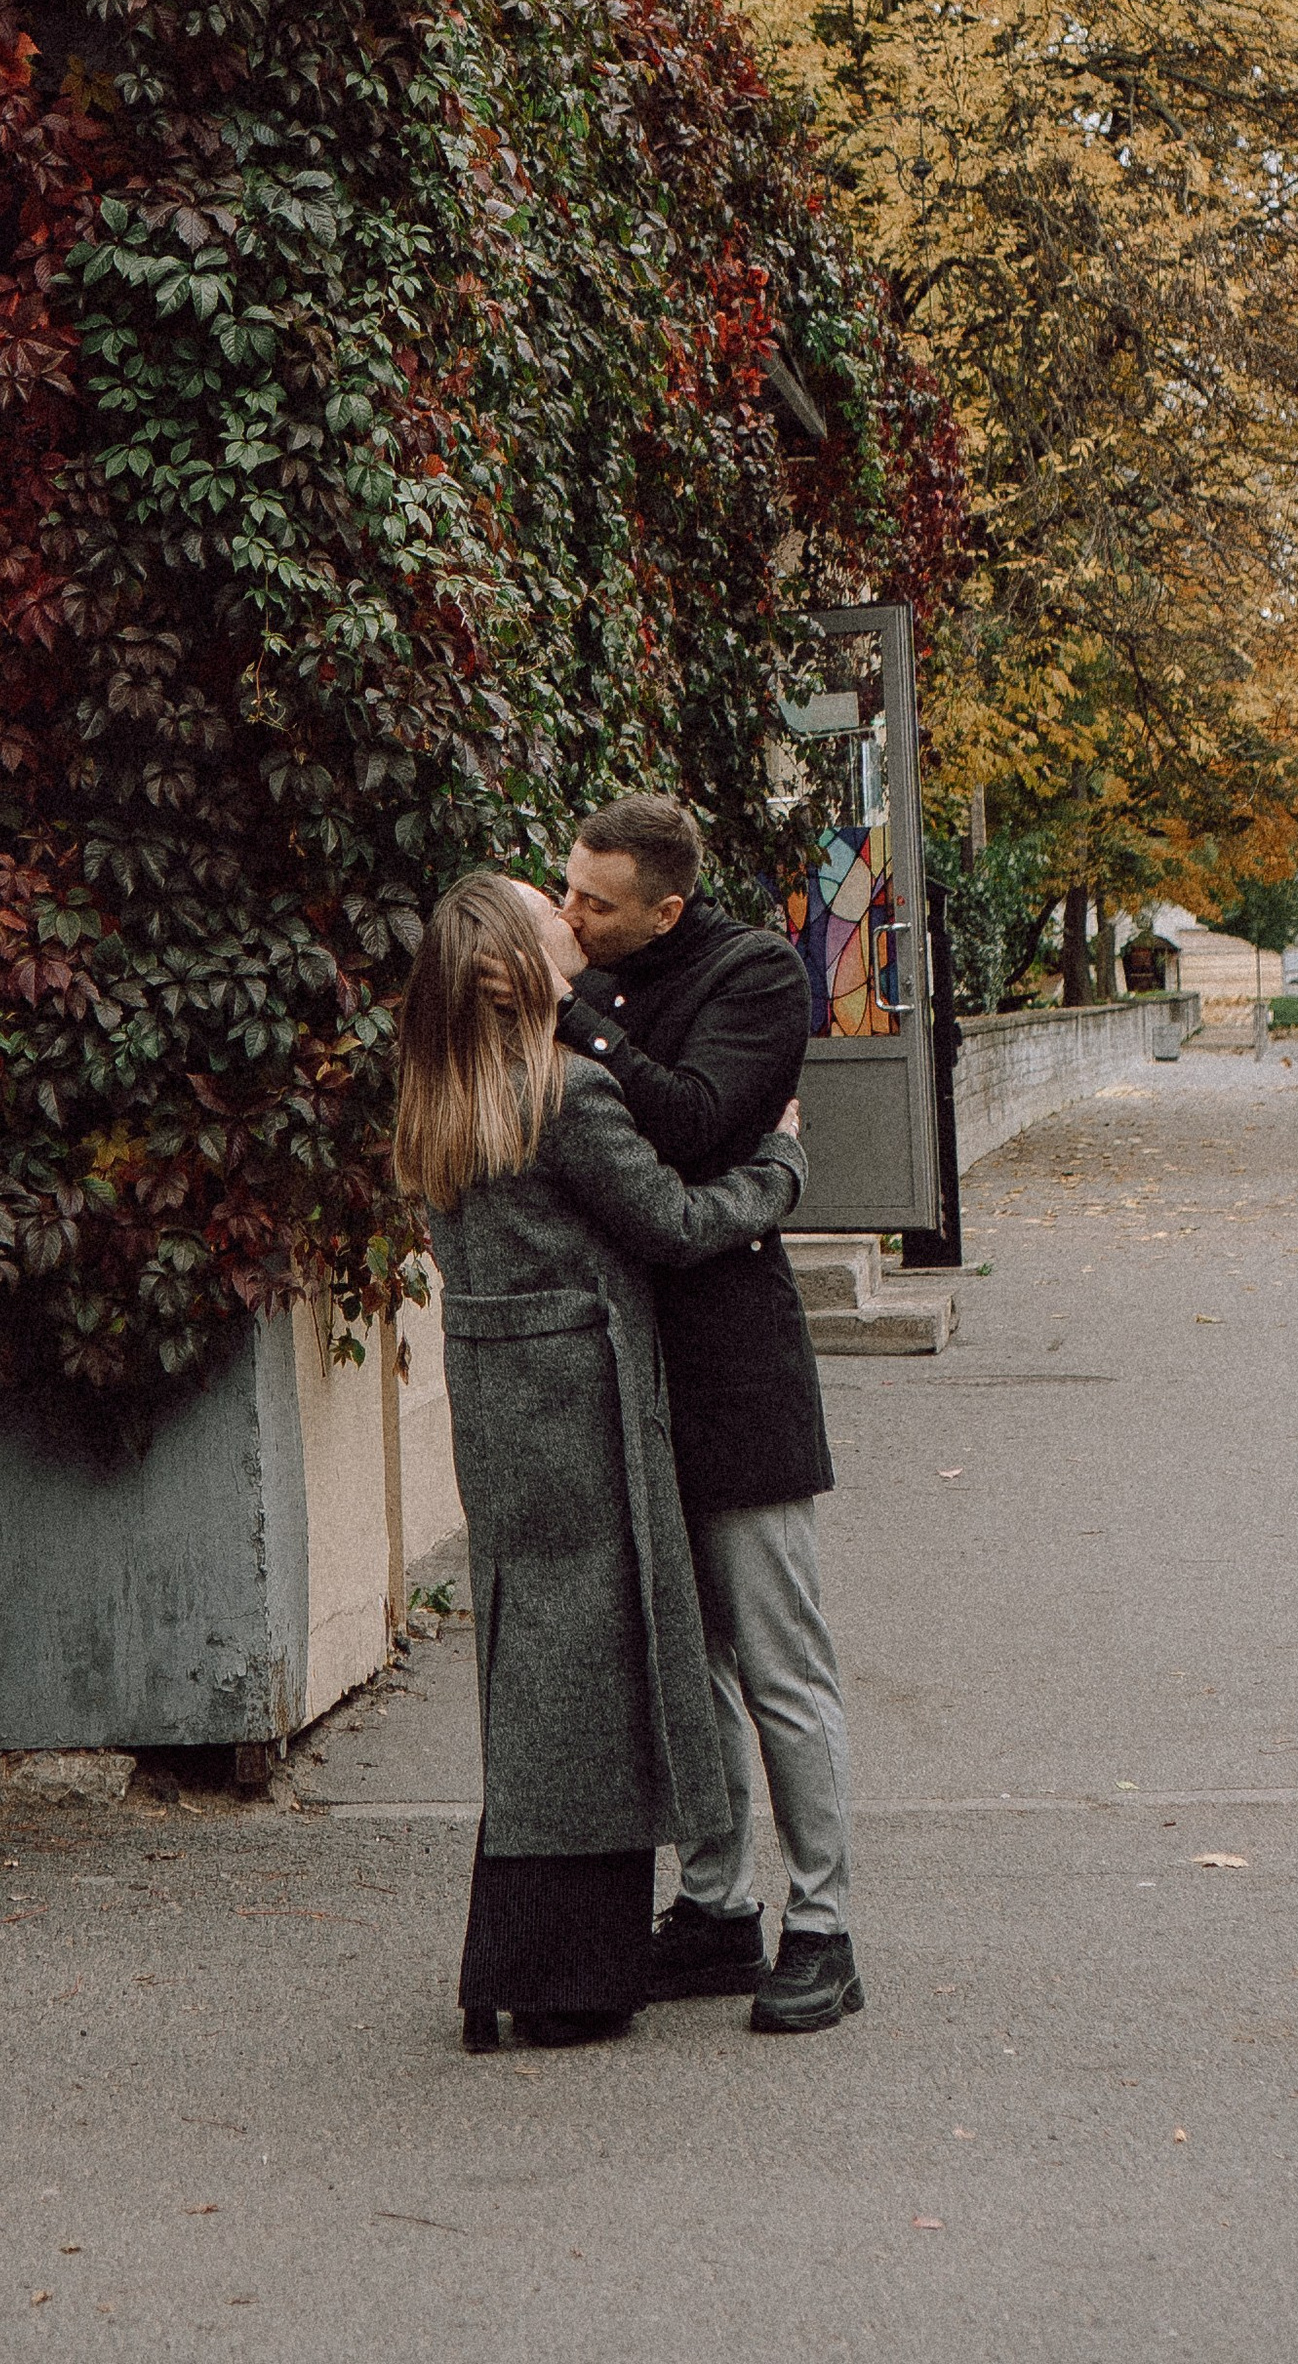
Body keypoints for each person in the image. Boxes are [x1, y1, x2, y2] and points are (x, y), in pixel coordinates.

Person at [395, 869, 808, 2055]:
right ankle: (566, 1973)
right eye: (547, 914)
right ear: (520, 963)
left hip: (502, 1405)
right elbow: (673, 1227)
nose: (568, 921)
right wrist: (777, 1172)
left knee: (534, 1662)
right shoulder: (566, 1093)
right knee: (595, 1667)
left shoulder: (448, 1092)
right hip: (584, 1404)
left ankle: (519, 1960)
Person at [555, 791, 864, 2036]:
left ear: (665, 907)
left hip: (734, 1367)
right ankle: (717, 1910)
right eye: (566, 889)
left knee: (780, 1664)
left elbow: (689, 1125)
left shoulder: (753, 977)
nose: (569, 914)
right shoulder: (610, 972)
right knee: (690, 1665)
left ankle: (826, 1931)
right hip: (627, 1373)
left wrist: (575, 1026)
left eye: (595, 902)